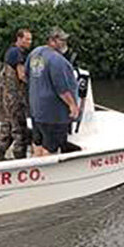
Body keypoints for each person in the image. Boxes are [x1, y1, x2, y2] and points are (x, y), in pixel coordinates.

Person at [26, 28, 81, 156]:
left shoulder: (34, 53)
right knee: (50, 149)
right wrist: (73, 106)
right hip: (53, 115)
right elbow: (63, 89)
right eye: (62, 40)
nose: (65, 43)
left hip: (36, 111)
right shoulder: (58, 60)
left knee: (38, 143)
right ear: (52, 40)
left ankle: (37, 169)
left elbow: (26, 75)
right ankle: (49, 173)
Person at [0, 27, 32, 161]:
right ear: (19, 39)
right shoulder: (17, 53)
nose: (29, 42)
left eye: (30, 39)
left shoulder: (9, 52)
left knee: (6, 129)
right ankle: (20, 161)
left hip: (5, 100)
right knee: (20, 130)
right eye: (27, 39)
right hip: (15, 99)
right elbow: (22, 76)